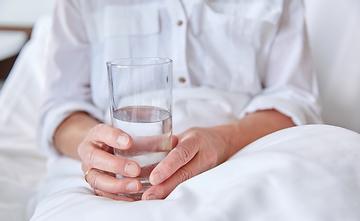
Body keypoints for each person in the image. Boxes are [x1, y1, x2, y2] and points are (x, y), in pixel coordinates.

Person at [38, 0, 321, 201]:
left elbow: (295, 100)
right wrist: (94, 148)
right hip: (118, 172)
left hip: (244, 152)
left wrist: (223, 140)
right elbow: (61, 109)